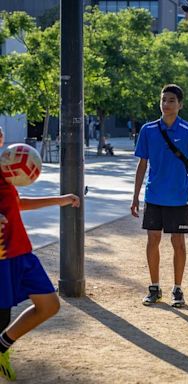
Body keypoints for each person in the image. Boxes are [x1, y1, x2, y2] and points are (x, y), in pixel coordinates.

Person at [0, 126, 80, 381]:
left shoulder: (5, 170)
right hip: (1, 258)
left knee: (49, 305)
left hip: (21, 253)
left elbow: (17, 204)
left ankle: (1, 347)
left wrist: (60, 199)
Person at [131, 84, 188, 308]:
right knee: (153, 239)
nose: (166, 104)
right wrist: (135, 197)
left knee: (178, 242)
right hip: (153, 195)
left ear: (180, 104)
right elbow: (142, 165)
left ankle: (177, 289)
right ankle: (154, 287)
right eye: (163, 100)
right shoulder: (148, 129)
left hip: (178, 197)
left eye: (171, 100)